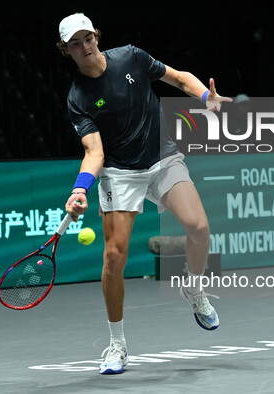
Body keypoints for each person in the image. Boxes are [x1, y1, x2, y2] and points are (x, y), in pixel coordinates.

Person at [57, 13, 231, 375]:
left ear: (97, 37)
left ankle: (194, 290)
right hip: (119, 172)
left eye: (88, 38)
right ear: (66, 50)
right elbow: (95, 152)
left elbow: (179, 78)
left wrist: (204, 95)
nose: (84, 46)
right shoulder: (78, 97)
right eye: (75, 43)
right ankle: (117, 344)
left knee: (198, 228)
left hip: (162, 158)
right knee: (112, 260)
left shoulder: (131, 57)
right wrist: (80, 189)